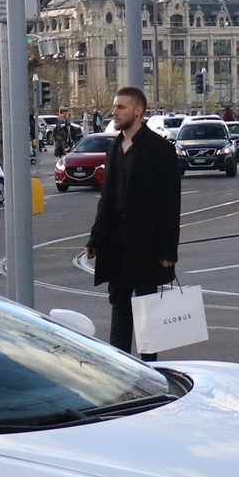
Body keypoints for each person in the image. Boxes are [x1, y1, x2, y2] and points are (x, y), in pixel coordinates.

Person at [83, 85, 181, 355]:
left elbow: (170, 204)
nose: (114, 112)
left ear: (138, 112)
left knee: (148, 308)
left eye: (120, 107)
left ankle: (151, 369)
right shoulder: (114, 147)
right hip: (116, 243)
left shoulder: (159, 149)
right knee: (119, 305)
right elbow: (107, 197)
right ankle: (121, 365)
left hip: (146, 245)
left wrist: (167, 250)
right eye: (114, 107)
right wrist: (95, 237)